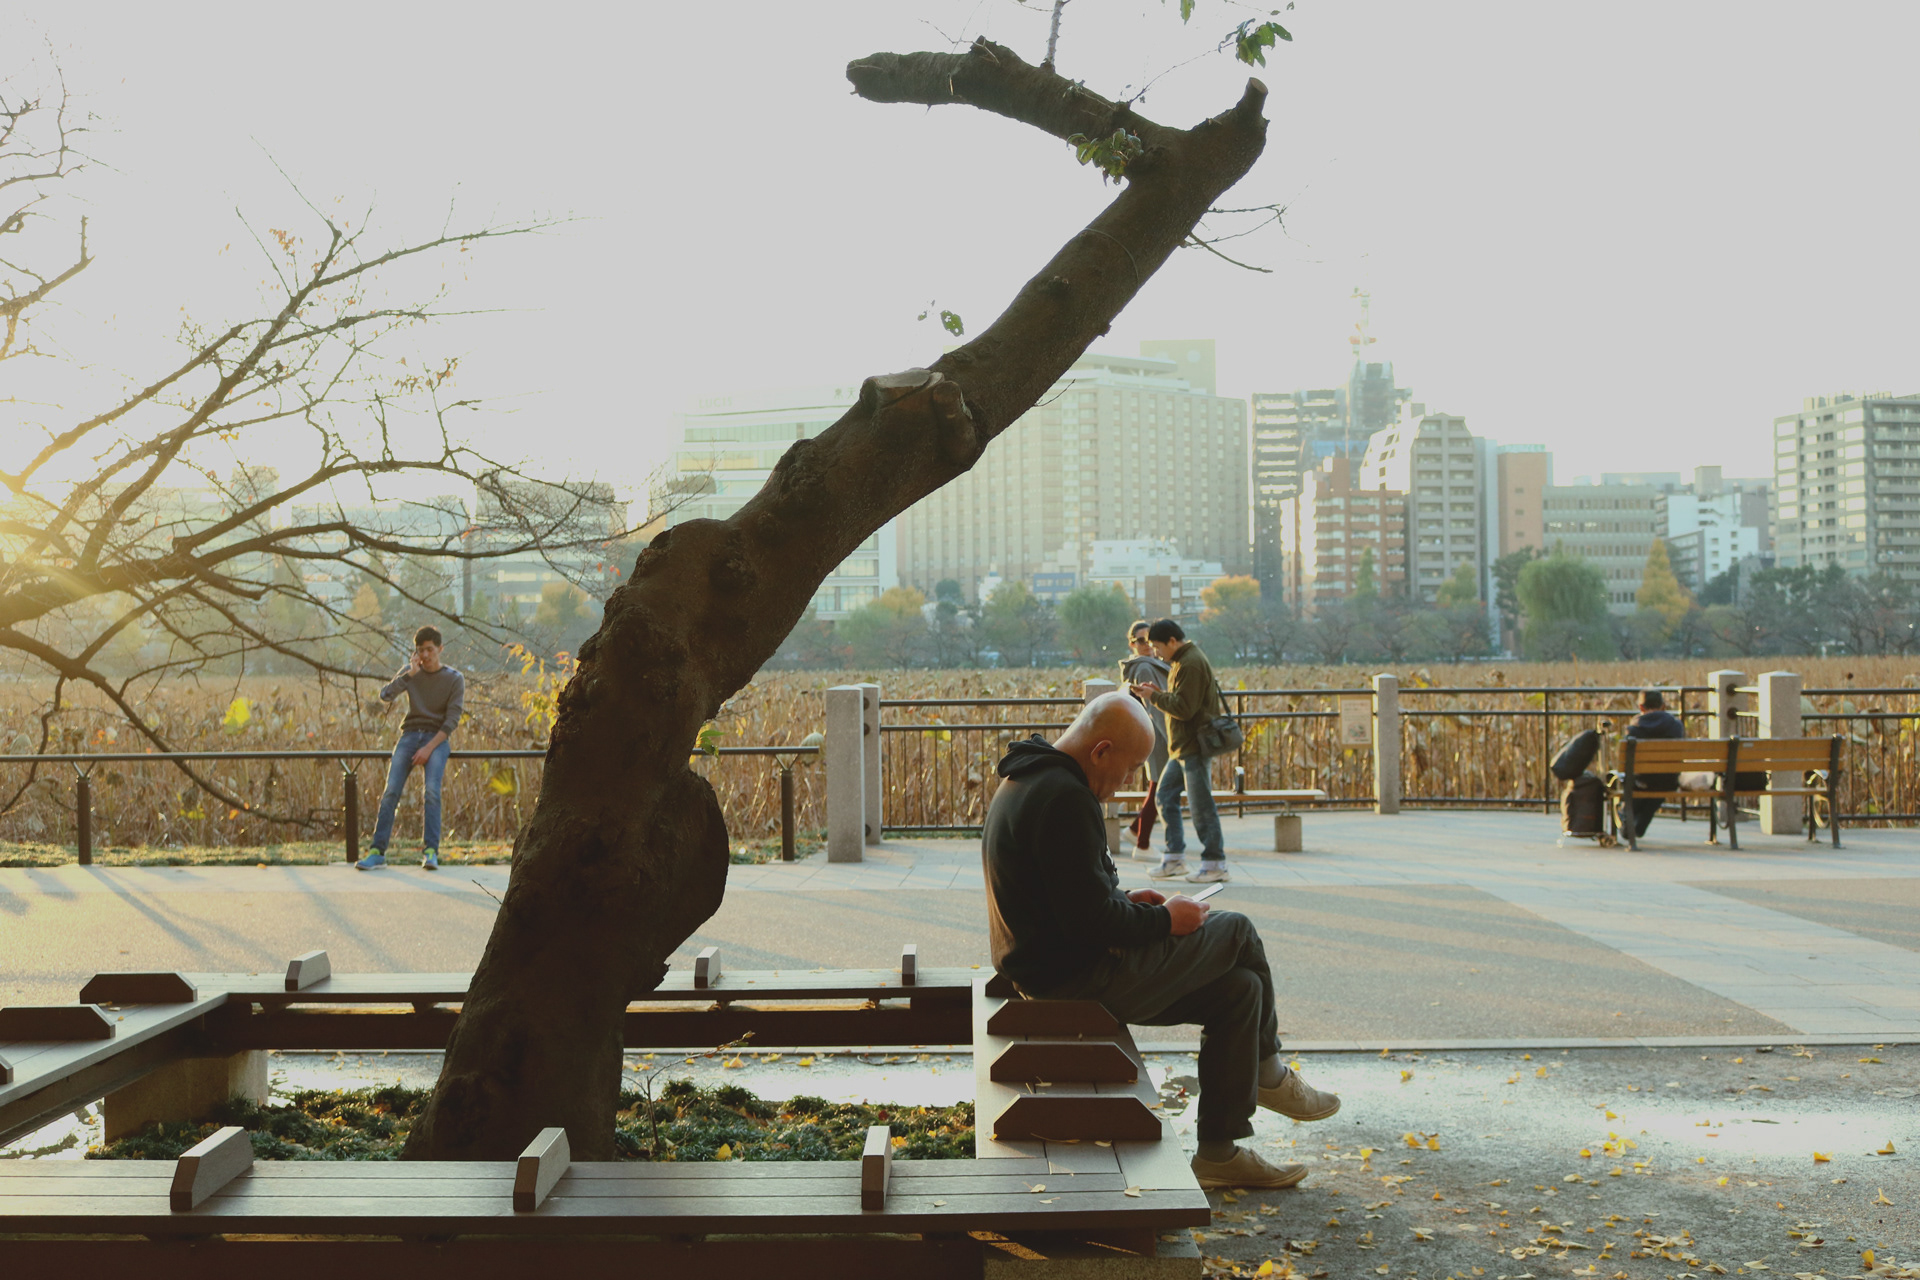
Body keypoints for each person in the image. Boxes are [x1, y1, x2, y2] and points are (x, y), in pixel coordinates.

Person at [981, 693, 1341, 1190]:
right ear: (1101, 751)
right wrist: (1165, 921)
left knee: (1241, 990)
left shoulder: (1028, 779)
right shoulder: (1065, 798)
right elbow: (1090, 923)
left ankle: (1218, 1153)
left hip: (1050, 968)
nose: (1128, 782)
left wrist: (1129, 900)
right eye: (1130, 769)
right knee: (1237, 930)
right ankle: (1269, 1072)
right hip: (1073, 982)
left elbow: (1068, 899)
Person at [357, 625, 465, 871]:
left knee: (432, 792)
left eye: (429, 650)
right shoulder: (410, 672)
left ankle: (430, 852)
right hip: (409, 735)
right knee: (391, 792)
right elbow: (385, 695)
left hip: (436, 739)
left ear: (440, 649)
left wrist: (428, 748)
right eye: (420, 650)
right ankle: (377, 852)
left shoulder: (454, 678)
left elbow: (452, 721)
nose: (425, 655)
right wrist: (409, 675)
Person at [1127, 619, 1227, 884]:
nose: (1157, 652)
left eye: (1158, 646)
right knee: (1164, 796)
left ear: (1172, 641)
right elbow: (1182, 700)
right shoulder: (1183, 661)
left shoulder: (1190, 663)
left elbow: (1184, 708)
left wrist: (1153, 697)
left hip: (1193, 746)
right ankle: (1174, 859)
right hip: (1182, 747)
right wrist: (1158, 692)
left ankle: (1215, 863)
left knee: (1201, 806)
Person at [1119, 620, 1171, 854]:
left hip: (1156, 732)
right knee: (1159, 787)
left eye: (1149, 639)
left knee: (1159, 786)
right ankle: (1142, 844)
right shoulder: (1143, 668)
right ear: (1132, 644)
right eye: (1140, 640)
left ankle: (1134, 832)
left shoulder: (1153, 664)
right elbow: (1153, 708)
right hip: (1157, 734)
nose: (1146, 644)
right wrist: (1170, 737)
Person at [1623, 688, 1684, 839]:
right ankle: (1638, 825)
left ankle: (1628, 820)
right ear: (1663, 706)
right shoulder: (1676, 726)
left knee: (1637, 783)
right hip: (1669, 780)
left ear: (1641, 707)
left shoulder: (1633, 729)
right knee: (1660, 783)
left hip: (1641, 780)